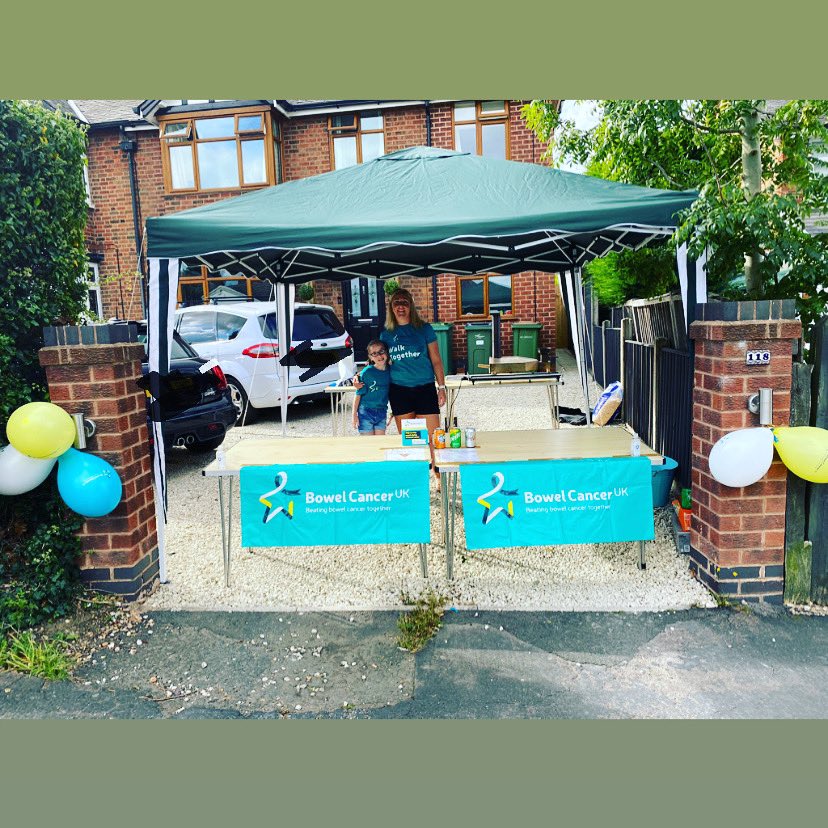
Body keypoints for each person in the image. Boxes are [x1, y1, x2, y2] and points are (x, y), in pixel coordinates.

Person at [354, 287, 446, 478]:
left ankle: (437, 476)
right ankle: (417, 480)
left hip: (425, 388)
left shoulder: (424, 329)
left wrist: (442, 387)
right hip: (400, 391)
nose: (401, 306)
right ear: (391, 308)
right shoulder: (387, 334)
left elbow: (436, 359)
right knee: (411, 439)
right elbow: (377, 359)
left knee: (431, 437)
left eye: (404, 302)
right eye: (397, 303)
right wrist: (359, 377)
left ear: (411, 305)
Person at [351, 339, 391, 436]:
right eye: (374, 354)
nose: (379, 356)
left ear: (386, 352)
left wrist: (392, 412)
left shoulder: (391, 372)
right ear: (370, 357)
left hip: (382, 412)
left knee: (379, 442)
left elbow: (392, 393)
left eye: (381, 351)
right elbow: (358, 394)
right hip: (365, 412)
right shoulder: (367, 372)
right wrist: (354, 415)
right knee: (368, 443)